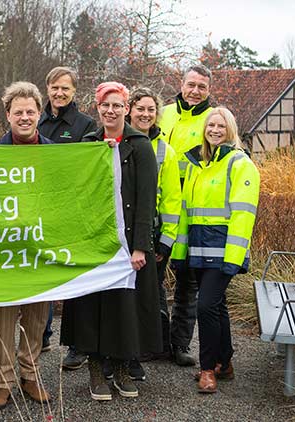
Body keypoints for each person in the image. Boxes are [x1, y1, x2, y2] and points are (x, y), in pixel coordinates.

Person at [60, 81, 161, 401]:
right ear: (98, 107)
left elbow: (147, 201)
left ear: (126, 108)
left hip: (129, 241)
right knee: (92, 306)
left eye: (117, 105)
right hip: (95, 241)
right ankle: (94, 368)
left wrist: (141, 246)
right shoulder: (88, 143)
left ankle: (118, 367)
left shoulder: (141, 145)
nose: (111, 110)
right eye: (106, 105)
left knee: (123, 308)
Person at [170, 107, 260, 393]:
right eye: (211, 125)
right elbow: (186, 211)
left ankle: (207, 369)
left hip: (223, 250)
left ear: (230, 130)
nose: (215, 130)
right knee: (216, 306)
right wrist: (179, 252)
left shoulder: (239, 163)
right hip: (197, 246)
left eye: (222, 126)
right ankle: (225, 361)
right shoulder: (197, 163)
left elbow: (244, 214)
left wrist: (234, 259)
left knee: (206, 305)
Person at [0, 81, 53, 410]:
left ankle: (30, 373)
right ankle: (3, 380)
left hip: (42, 245)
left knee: (38, 315)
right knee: (3, 315)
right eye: (18, 112)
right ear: (8, 115)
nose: (24, 117)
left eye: (30, 112)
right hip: (4, 246)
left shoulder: (58, 155)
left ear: (39, 113)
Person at [37, 66, 96, 368]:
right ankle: (41, 335)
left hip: (72, 213)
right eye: (55, 88)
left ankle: (77, 344)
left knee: (74, 279)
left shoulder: (86, 125)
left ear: (75, 92)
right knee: (42, 272)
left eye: (66, 89)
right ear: (47, 88)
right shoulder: (36, 121)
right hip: (39, 211)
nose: (59, 93)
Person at [157, 64, 214, 366]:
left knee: (188, 281)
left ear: (208, 90)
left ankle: (179, 345)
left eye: (201, 87)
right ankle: (155, 340)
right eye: (191, 84)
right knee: (153, 277)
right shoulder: (163, 113)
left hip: (192, 210)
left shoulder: (212, 120)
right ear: (181, 84)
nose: (194, 91)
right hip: (161, 207)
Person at [126, 87, 182, 373]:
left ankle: (143, 350)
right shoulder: (116, 142)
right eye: (140, 108)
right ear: (129, 110)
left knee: (147, 296)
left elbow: (172, 199)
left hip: (153, 234)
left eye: (151, 109)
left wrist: (166, 241)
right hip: (123, 233)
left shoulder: (165, 151)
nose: (145, 114)